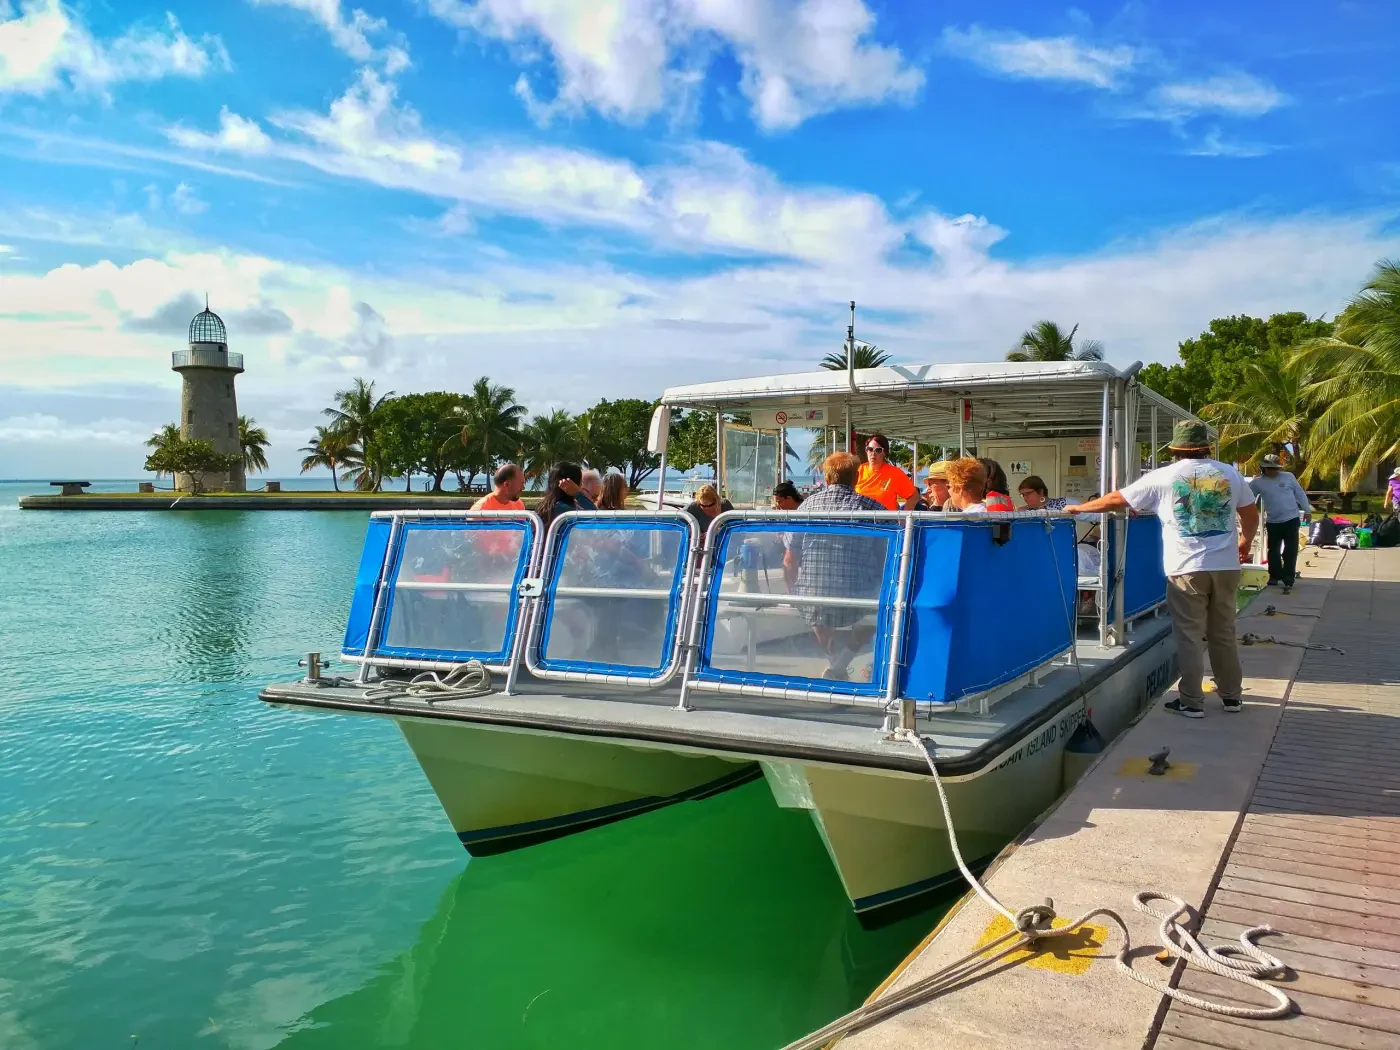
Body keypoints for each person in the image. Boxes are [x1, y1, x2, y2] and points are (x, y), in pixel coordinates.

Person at [1066, 420, 1259, 719]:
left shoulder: (1164, 476)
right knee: (1223, 633)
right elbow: (1249, 513)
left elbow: (1117, 500)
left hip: (1187, 568)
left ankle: (1192, 701)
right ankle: (1232, 697)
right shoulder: (1230, 473)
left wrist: (1079, 508)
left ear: (1176, 449)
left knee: (1190, 636)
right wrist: (1245, 541)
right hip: (1226, 566)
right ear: (1205, 447)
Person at [782, 452, 886, 680]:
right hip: (859, 595)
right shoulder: (873, 508)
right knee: (876, 612)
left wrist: (792, 592)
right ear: (856, 478)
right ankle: (842, 661)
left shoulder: (805, 507)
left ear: (827, 479)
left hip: (814, 597)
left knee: (812, 605)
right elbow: (885, 556)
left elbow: (789, 560)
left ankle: (833, 660)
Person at [1249, 454, 1311, 594]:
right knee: (1273, 550)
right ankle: (1274, 575)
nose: (1272, 471)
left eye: (1274, 468)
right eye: (1269, 468)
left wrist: (1307, 510)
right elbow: (1248, 499)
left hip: (1291, 518)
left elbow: (1299, 493)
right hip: (1273, 521)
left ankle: (1288, 577)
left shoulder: (1288, 477)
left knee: (1290, 550)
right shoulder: (1257, 483)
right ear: (1263, 468)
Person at [855, 433, 918, 510]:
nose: (873, 453)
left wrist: (903, 518)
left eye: (878, 450)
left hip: (886, 521)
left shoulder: (895, 473)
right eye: (870, 449)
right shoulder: (857, 471)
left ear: (885, 453)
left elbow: (914, 496)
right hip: (860, 520)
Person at [536, 462, 586, 526]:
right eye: (581, 481)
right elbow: (597, 518)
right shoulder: (566, 510)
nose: (582, 485)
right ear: (573, 484)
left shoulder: (543, 506)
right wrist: (578, 494)